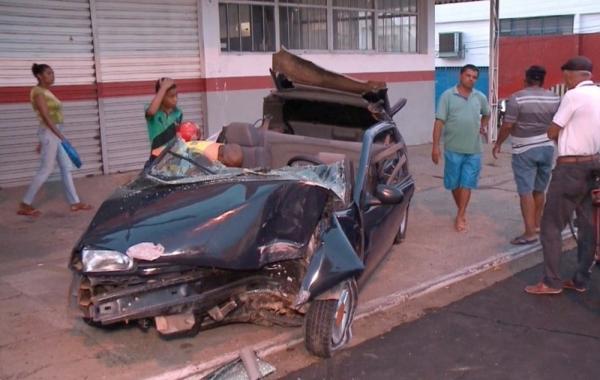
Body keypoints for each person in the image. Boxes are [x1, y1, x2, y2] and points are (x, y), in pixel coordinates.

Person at [525, 56, 600, 295]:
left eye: (565, 75)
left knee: (550, 224)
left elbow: (553, 129)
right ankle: (580, 280)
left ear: (571, 74)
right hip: (595, 165)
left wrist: (559, 135)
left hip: (571, 168)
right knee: (588, 226)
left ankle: (551, 282)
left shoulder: (573, 96)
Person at [493, 66, 560, 245]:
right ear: (543, 81)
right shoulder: (554, 98)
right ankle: (537, 224)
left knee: (525, 192)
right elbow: (558, 124)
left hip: (523, 150)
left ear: (526, 79)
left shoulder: (517, 98)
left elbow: (507, 125)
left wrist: (498, 143)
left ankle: (529, 232)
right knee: (539, 189)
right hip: (547, 148)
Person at [17, 63, 92, 217]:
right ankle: (25, 204)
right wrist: (60, 137)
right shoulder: (38, 92)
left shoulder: (45, 91)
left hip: (52, 134)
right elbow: (46, 117)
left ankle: (75, 203)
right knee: (46, 169)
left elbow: (46, 119)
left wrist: (46, 139)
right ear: (39, 76)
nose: (52, 76)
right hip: (51, 134)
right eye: (49, 73)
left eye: (52, 73)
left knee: (66, 167)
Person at [432, 64, 490, 232]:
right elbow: (439, 122)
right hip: (452, 148)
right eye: (468, 75)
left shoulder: (480, 97)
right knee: (454, 184)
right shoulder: (447, 96)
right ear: (460, 75)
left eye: (474, 77)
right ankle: (461, 209)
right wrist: (435, 147)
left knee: (467, 183)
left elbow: (487, 113)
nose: (471, 79)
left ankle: (461, 215)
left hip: (474, 150)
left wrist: (483, 126)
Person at [144, 77, 182, 167]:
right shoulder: (152, 111)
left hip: (174, 158)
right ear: (161, 96)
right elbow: (151, 111)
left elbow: (178, 135)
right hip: (157, 159)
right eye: (171, 96)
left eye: (176, 95)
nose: (175, 99)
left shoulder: (178, 113)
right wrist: (163, 88)